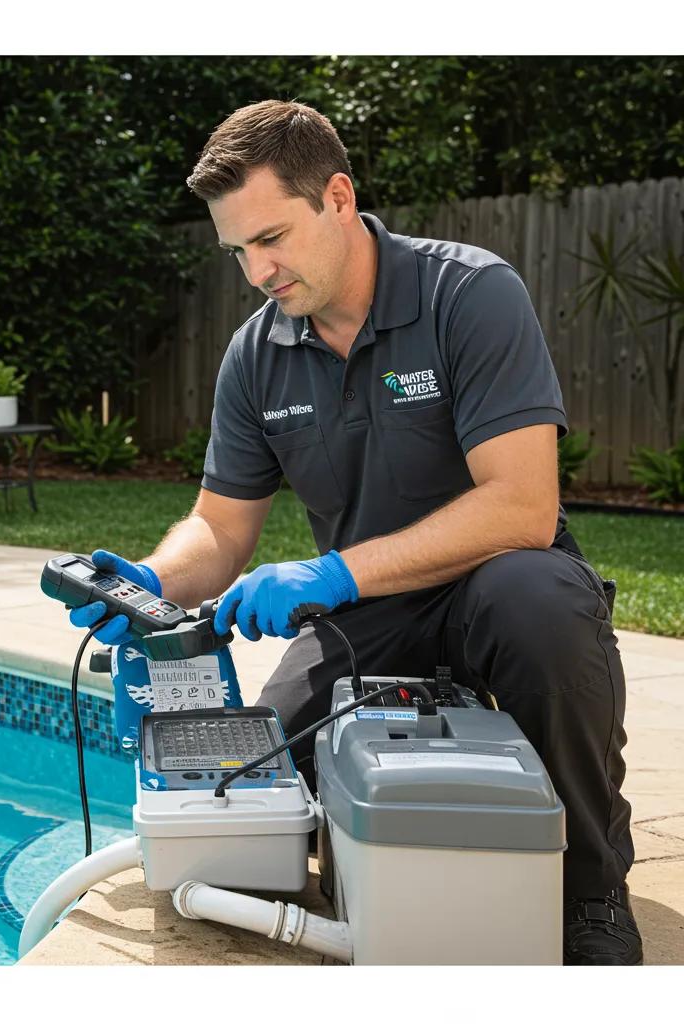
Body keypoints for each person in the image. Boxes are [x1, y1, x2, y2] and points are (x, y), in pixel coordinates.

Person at [71, 100, 641, 966]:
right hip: (369, 612)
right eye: (238, 252)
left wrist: (329, 573)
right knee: (257, 780)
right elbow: (220, 528)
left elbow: (520, 506)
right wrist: (153, 581)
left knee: (541, 605)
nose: (257, 270)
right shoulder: (255, 354)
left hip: (497, 582)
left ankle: (592, 891)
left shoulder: (468, 293)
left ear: (337, 197)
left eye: (272, 238)